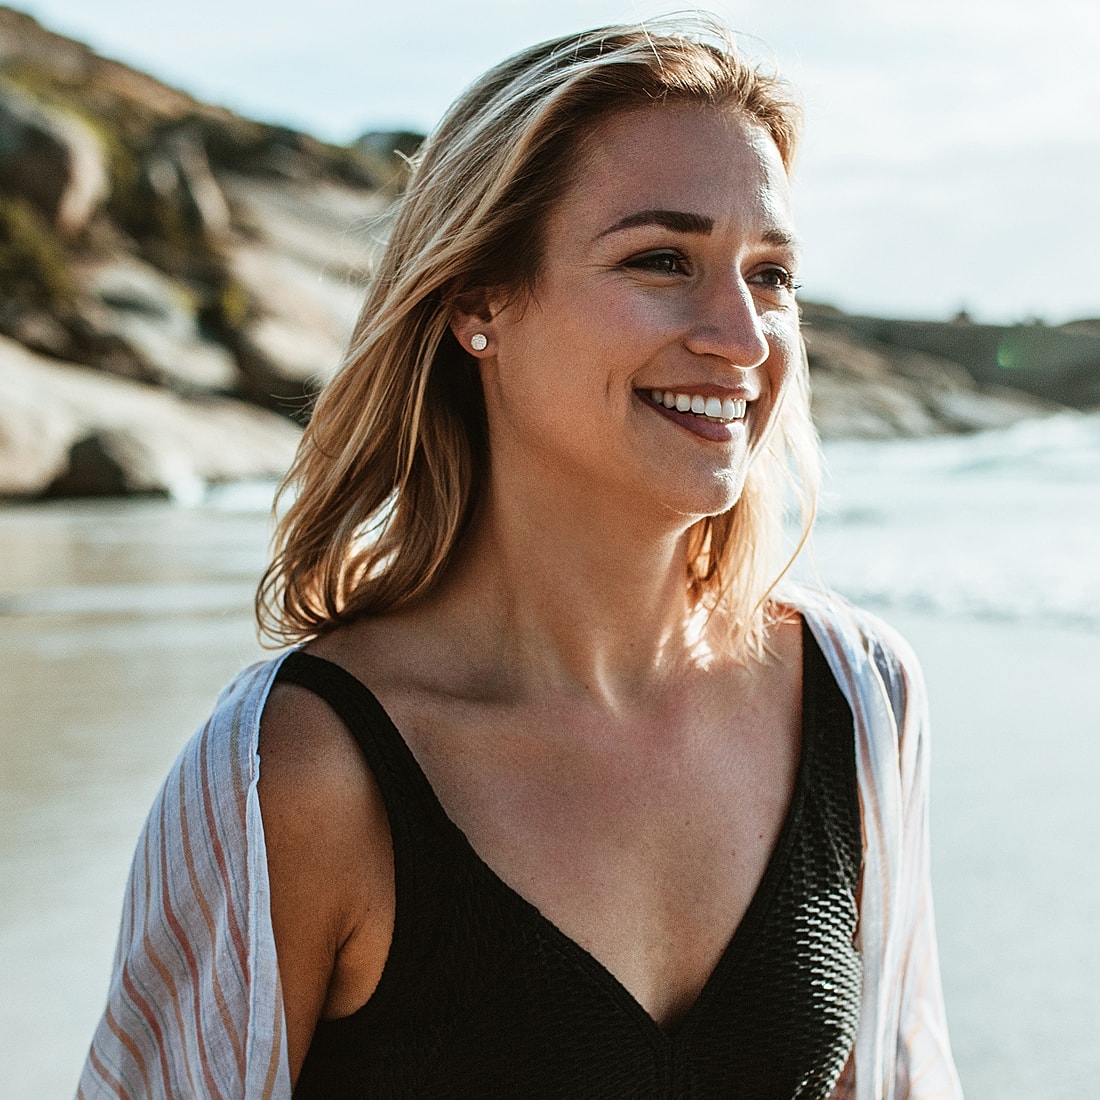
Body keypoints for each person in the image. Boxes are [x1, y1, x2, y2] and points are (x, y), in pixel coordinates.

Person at [78, 17, 962, 1100]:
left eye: (770, 274)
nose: (740, 337)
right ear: (477, 300)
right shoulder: (296, 771)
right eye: (661, 260)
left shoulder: (857, 697)